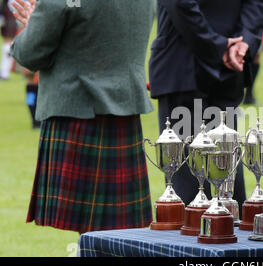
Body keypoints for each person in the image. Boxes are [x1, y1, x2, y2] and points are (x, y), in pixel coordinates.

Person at [11, 0, 156, 234]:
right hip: (125, 113)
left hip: (78, 111)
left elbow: (30, 54)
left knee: (91, 231)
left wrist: (32, 29)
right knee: (114, 231)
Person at [149, 0, 263, 215]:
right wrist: (241, 43)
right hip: (214, 66)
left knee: (206, 180)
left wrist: (224, 45)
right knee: (218, 175)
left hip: (185, 63)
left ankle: (194, 246)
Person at [0, 0, 17, 80]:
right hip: (7, 17)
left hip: (11, 17)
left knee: (8, 45)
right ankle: (4, 71)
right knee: (7, 44)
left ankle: (5, 72)